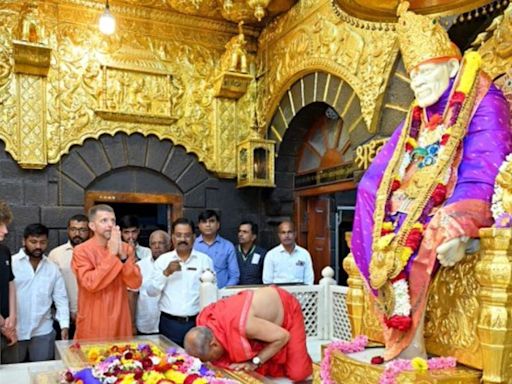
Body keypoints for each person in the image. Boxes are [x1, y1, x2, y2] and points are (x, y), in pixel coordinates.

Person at [351, 1, 512, 360]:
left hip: (465, 204)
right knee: (371, 206)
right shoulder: (417, 114)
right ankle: (390, 324)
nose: (417, 83)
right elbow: (381, 171)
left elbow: (484, 165)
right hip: (413, 205)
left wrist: (461, 227)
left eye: (425, 73)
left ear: (453, 66)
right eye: (413, 76)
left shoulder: (484, 98)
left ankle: (411, 345)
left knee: (438, 229)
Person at [184, 286, 312, 381]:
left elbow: (282, 336)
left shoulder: (244, 325)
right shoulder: (205, 320)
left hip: (287, 310)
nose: (213, 361)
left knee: (298, 373)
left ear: (214, 344)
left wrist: (254, 362)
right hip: (262, 323)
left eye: (211, 358)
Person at [72, 204, 142, 340]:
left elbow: (135, 283)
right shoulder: (81, 251)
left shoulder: (126, 249)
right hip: (94, 321)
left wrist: (122, 258)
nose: (110, 225)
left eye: (113, 221)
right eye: (104, 221)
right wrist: (111, 254)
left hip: (120, 318)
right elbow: (90, 283)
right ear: (92, 226)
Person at [8, 224, 69, 362]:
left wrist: (64, 325)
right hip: (14, 331)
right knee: (14, 375)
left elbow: (61, 298)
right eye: (33, 242)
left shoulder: (52, 268)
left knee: (43, 373)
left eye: (42, 242)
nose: (38, 247)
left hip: (43, 331)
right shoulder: (11, 263)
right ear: (24, 241)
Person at [148, 218, 213, 346]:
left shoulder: (205, 261)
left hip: (196, 323)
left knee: (196, 364)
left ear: (194, 237)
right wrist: (166, 273)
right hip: (169, 323)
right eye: (178, 235)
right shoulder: (162, 260)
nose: (183, 239)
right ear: (172, 237)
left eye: (187, 235)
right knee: (168, 363)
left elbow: (211, 295)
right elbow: (151, 292)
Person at [48, 214, 89, 339]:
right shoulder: (56, 254)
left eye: (82, 230)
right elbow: (49, 288)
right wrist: (68, 312)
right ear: (68, 230)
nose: (77, 233)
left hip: (90, 317)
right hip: (63, 318)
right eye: (73, 229)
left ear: (89, 231)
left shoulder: (96, 253)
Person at [133, 230, 171, 334]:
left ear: (168, 245)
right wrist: (131, 323)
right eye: (153, 243)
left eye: (161, 243)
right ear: (149, 245)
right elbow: (133, 295)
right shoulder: (140, 266)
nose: (157, 246)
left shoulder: (175, 265)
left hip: (169, 325)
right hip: (145, 324)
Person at [193, 210, 239, 288]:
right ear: (199, 225)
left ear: (218, 225)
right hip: (196, 295)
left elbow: (234, 276)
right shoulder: (192, 245)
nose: (208, 225)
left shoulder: (228, 246)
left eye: (211, 221)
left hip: (221, 294)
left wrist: (224, 292)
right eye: (204, 222)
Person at [262, 220, 314, 285]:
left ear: (295, 234)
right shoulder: (271, 255)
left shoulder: (304, 254)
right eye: (283, 232)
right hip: (278, 293)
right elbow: (267, 281)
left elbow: (309, 280)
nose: (286, 235)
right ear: (279, 235)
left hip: (300, 292)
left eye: (289, 232)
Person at [0, 200, 17, 364]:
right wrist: (4, 325)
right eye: (0, 225)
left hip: (7, 327)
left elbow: (10, 283)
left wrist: (12, 316)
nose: (5, 231)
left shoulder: (4, 251)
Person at [236, 221, 266, 285]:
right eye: (239, 231)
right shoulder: (232, 251)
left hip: (256, 291)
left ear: (253, 237)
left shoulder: (261, 253)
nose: (240, 234)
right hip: (235, 290)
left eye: (245, 232)